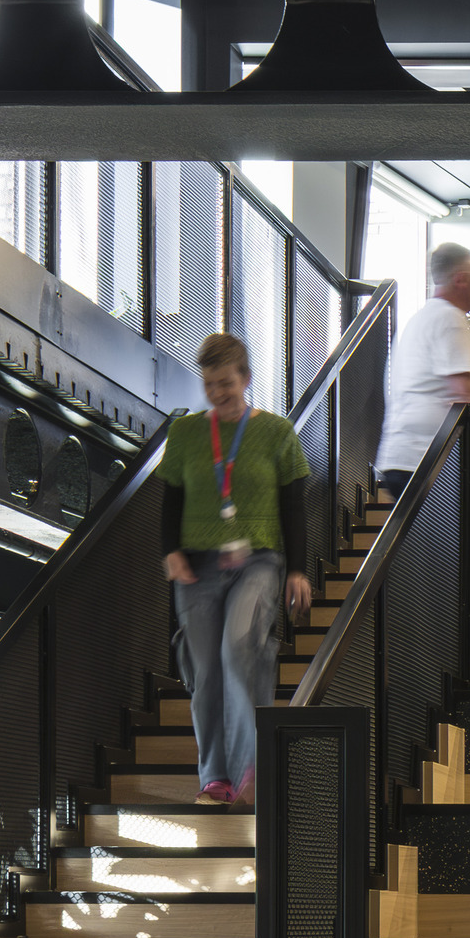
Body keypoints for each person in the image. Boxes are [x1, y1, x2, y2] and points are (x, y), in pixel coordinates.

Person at [158, 331, 310, 809]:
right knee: (205, 672)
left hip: (258, 562)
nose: (218, 393)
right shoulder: (185, 434)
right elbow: (170, 501)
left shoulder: (277, 433)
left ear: (245, 378)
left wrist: (299, 570)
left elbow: (293, 505)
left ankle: (251, 767)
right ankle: (216, 779)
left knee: (237, 647)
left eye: (226, 382)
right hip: (197, 568)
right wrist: (171, 551)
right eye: (209, 384)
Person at [374, 241, 470, 503]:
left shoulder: (418, 320)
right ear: (460, 279)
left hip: (400, 458)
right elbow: (467, 395)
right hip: (430, 460)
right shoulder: (450, 318)